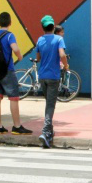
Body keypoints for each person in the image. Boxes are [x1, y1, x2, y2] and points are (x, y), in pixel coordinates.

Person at [35, 15, 68, 149]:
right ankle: (45, 132)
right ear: (54, 27)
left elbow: (38, 57)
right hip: (54, 77)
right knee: (50, 105)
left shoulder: (40, 40)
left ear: (43, 28)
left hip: (42, 76)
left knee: (48, 103)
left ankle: (49, 131)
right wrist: (66, 65)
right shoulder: (59, 39)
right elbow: (62, 55)